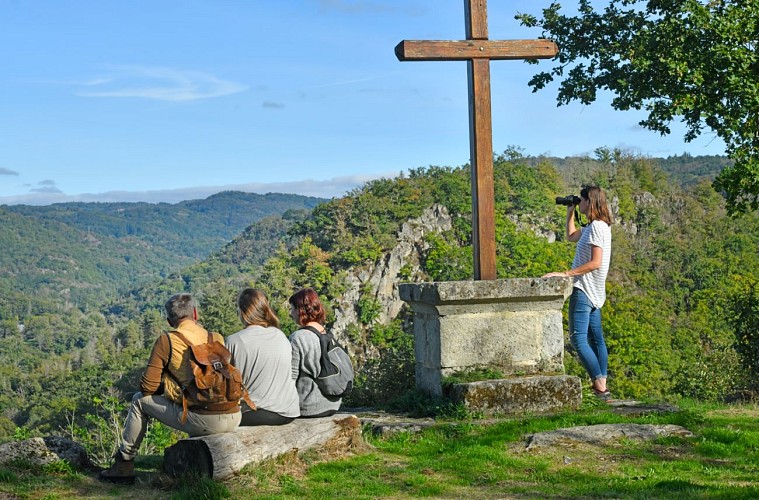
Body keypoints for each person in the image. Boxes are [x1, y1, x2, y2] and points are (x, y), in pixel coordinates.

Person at [99, 293, 242, 484]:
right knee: (197, 402)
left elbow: (147, 388)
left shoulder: (167, 341)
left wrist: (169, 384)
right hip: (234, 415)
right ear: (195, 314)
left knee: (138, 400)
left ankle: (123, 464)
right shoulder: (215, 337)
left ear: (169, 321)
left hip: (205, 421)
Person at [543, 186, 613, 400]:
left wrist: (566, 274)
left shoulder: (597, 228)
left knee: (578, 339)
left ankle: (600, 386)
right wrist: (570, 210)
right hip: (595, 291)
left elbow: (595, 262)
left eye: (580, 200)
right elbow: (572, 236)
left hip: (584, 288)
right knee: (597, 340)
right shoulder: (598, 226)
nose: (579, 203)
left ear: (589, 202)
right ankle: (602, 386)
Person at [225, 288, 300, 426]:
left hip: (258, 412)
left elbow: (227, 385)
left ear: (242, 312)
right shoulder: (279, 335)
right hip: (289, 411)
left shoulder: (234, 341)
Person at [288, 288, 342, 417]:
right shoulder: (327, 334)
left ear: (300, 310)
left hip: (308, 406)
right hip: (333, 404)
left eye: (292, 309)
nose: (291, 313)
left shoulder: (298, 337)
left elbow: (291, 376)